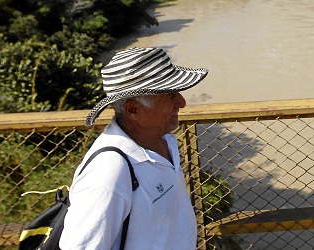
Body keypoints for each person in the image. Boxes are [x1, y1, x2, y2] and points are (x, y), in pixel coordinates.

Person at [60, 47, 208, 249]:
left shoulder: (163, 141)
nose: (181, 102)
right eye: (170, 95)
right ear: (133, 110)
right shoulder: (108, 174)